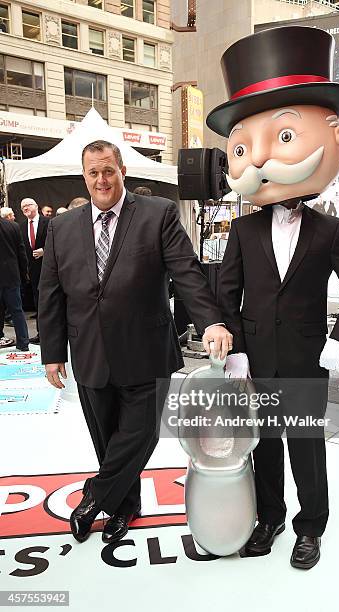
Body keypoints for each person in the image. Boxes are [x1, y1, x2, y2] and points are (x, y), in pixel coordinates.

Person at [207, 26, 339, 569]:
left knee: (306, 447)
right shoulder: (243, 230)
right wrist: (233, 347)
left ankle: (310, 527)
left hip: (306, 358)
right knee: (266, 447)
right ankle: (270, 518)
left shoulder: (328, 229)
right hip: (255, 358)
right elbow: (225, 289)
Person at [38, 139, 232, 545]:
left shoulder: (157, 214)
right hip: (90, 352)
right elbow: (51, 294)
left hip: (146, 351)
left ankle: (94, 495)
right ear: (85, 176)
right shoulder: (62, 227)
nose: (102, 180)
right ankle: (126, 507)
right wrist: (52, 353)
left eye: (108, 170)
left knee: (139, 435)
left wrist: (210, 321)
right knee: (108, 441)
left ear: (122, 170)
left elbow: (187, 272)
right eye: (93, 173)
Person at [20, 198, 49, 344]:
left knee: (49, 302)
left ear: (36, 206)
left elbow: (56, 242)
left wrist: (44, 251)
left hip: (48, 269)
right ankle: (40, 333)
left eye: (28, 205)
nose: (25, 208)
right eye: (22, 206)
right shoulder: (21, 226)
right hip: (32, 272)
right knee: (37, 303)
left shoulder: (48, 223)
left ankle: (50, 334)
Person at [0, 215, 30, 351]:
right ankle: (23, 342)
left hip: (10, 275)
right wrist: (24, 274)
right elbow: (21, 253)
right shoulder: (13, 226)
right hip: (11, 275)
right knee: (17, 310)